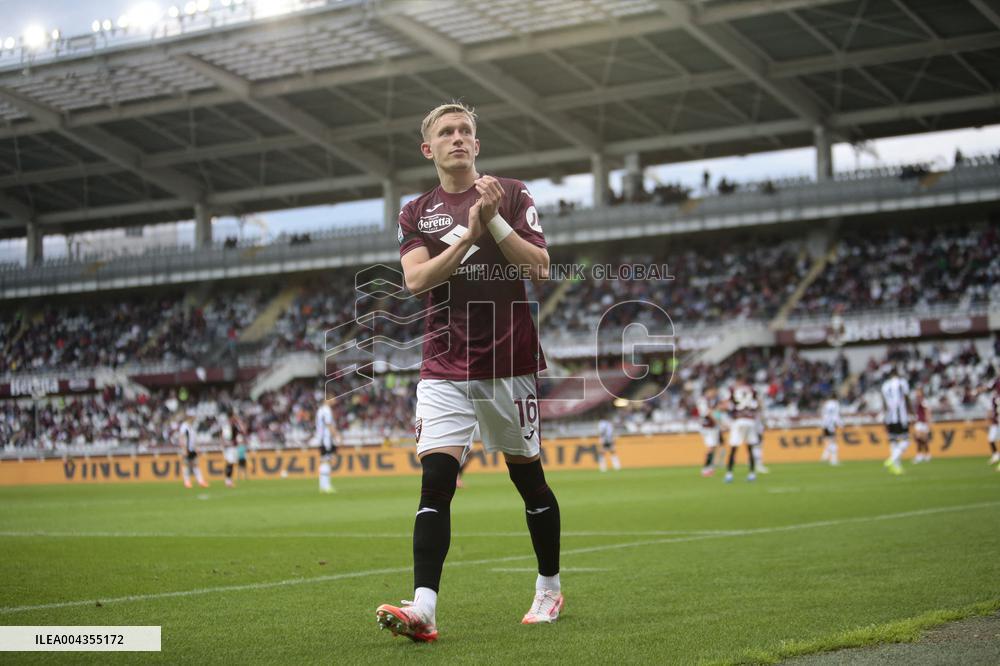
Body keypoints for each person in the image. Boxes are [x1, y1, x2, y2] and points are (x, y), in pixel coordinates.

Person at [376, 102, 559, 643]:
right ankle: (425, 608)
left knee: (527, 478)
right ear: (428, 149)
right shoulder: (416, 212)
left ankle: (549, 587)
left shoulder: (514, 192)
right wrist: (468, 233)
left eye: (466, 131)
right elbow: (416, 282)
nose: (458, 138)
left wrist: (493, 218)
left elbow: (540, 268)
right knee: (436, 480)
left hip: (510, 362)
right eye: (446, 132)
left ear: (477, 145)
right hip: (443, 365)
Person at [721, 377, 759, 483]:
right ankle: (752, 474)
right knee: (750, 448)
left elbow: (725, 404)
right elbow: (758, 404)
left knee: (734, 448)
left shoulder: (732, 389)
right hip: (750, 421)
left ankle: (729, 474)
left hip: (738, 421)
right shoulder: (753, 390)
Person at [881, 366, 911, 475]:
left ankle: (896, 468)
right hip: (901, 416)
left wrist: (885, 417)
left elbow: (884, 403)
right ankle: (892, 460)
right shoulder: (902, 383)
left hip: (890, 418)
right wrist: (911, 412)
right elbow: (907, 398)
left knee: (893, 442)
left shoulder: (885, 385)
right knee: (906, 441)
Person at [178, 410, 208, 489]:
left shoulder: (192, 426)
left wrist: (196, 447)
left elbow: (193, 439)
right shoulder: (184, 426)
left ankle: (200, 481)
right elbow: (181, 437)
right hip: (186, 448)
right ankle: (187, 482)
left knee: (195, 465)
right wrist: (184, 449)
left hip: (192, 448)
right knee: (186, 465)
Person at [315, 396, 339, 494]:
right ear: (327, 400)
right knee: (327, 461)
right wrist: (336, 436)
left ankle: (322, 486)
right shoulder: (327, 410)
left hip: (321, 438)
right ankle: (326, 486)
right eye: (333, 398)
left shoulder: (320, 410)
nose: (335, 400)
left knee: (324, 460)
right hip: (326, 439)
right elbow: (329, 424)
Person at [697, 390, 721, 477]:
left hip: (710, 427)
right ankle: (706, 468)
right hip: (707, 428)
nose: (713, 394)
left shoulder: (710, 401)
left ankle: (710, 467)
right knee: (711, 448)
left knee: (713, 447)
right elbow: (708, 413)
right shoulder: (703, 401)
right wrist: (718, 422)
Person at [819, 396, 842, 466]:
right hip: (830, 425)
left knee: (830, 442)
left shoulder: (826, 405)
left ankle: (824, 457)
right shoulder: (835, 404)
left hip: (824, 425)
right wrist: (841, 424)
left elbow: (823, 414)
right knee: (833, 443)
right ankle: (833, 460)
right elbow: (836, 416)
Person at [912, 388, 932, 464]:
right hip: (918, 422)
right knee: (918, 438)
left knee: (924, 439)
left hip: (923, 422)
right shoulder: (916, 401)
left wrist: (928, 421)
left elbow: (927, 411)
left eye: (918, 392)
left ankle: (927, 454)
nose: (917, 393)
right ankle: (920, 455)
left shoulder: (924, 401)